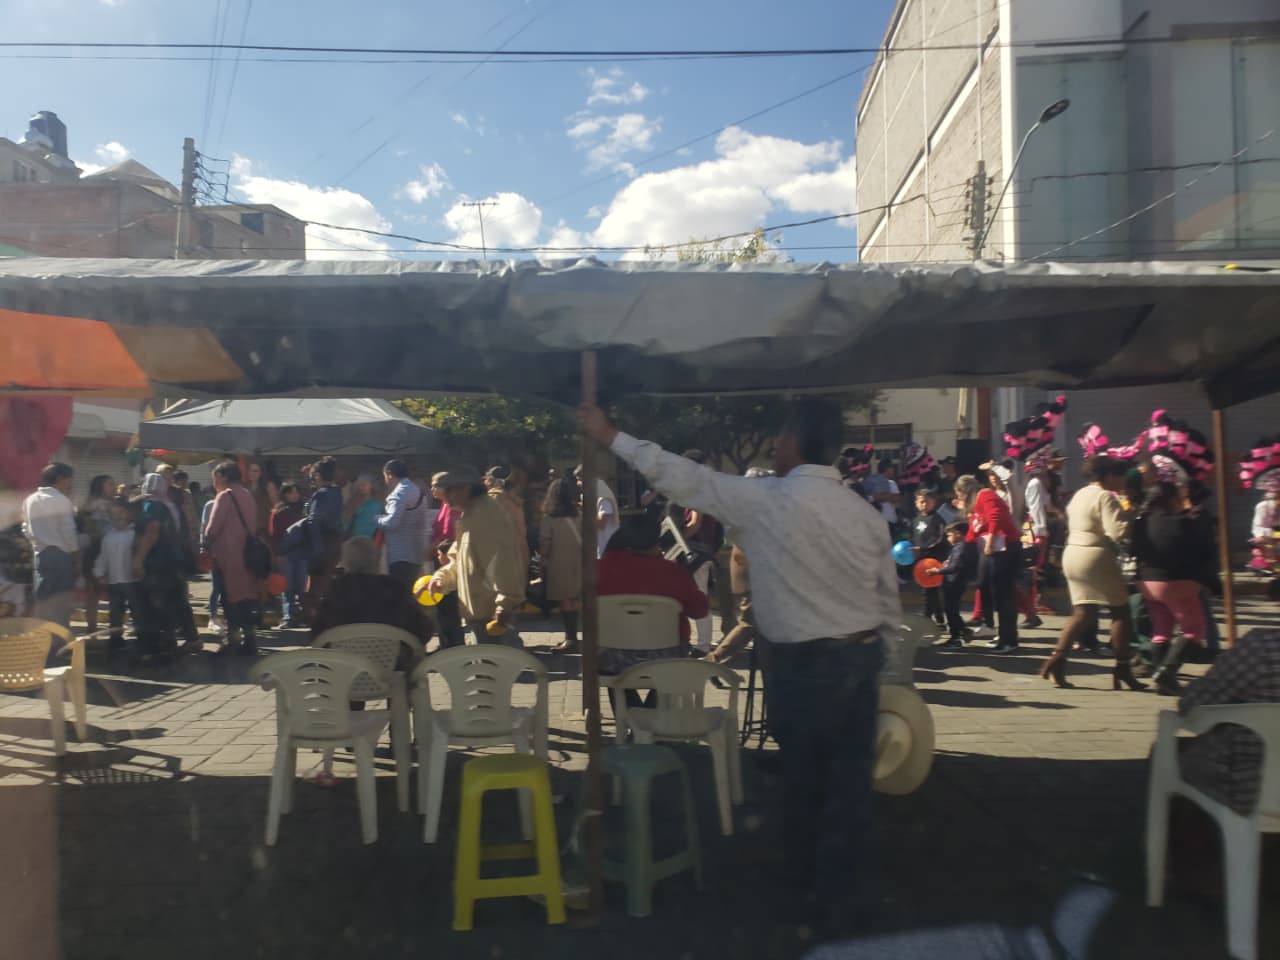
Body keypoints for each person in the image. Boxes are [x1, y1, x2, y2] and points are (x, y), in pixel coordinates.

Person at [578, 396, 902, 936]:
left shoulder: (765, 500)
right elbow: (887, 600)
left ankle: (810, 896)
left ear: (794, 443)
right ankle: (839, 900)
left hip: (801, 666)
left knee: (803, 783)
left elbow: (683, 477)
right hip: (859, 658)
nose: (774, 444)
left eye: (781, 436)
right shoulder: (865, 515)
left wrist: (611, 436)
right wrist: (883, 665)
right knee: (848, 789)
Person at [1040, 456, 1146, 691]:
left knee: (1083, 612)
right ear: (1107, 476)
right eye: (1118, 476)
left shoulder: (1080, 494)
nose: (1121, 481)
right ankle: (1122, 668)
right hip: (1095, 555)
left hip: (1073, 554)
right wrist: (1133, 515)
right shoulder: (1105, 496)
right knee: (1121, 612)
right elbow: (1117, 532)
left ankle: (1057, 660)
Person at [597, 513, 709, 706]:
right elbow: (700, 610)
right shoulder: (672, 572)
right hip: (665, 659)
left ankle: (630, 716)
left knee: (610, 654)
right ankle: (650, 715)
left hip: (612, 658)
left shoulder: (599, 569)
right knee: (668, 671)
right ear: (656, 542)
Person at [1172, 627, 1280, 814]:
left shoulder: (1261, 647)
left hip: (1247, 787)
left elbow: (1193, 705)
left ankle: (1176, 830)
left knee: (1169, 754)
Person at [1131, 480, 1215, 695]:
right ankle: (1166, 673)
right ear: (1172, 500)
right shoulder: (1183, 522)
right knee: (1194, 630)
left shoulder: (1141, 522)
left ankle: (1161, 677)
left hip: (1147, 584)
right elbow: (1200, 550)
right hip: (1177, 583)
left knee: (1161, 630)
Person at [428, 468, 526, 648]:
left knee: (497, 663)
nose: (445, 497)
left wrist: (505, 602)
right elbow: (459, 560)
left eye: (449, 491)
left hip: (491, 614)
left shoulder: (486, 515)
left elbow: (502, 561)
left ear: (465, 488)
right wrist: (442, 579)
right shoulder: (470, 515)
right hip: (479, 612)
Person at [310, 536, 432, 652]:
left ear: (345, 563)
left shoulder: (335, 590)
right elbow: (423, 631)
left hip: (343, 663)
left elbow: (317, 633)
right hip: (391, 662)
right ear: (377, 560)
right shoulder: (396, 589)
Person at [204, 461, 260, 655]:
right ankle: (250, 641)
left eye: (215, 477)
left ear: (223, 476)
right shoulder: (247, 494)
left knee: (230, 601)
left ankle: (233, 642)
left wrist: (205, 544)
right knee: (245, 600)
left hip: (228, 556)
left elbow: (212, 529)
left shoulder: (225, 496)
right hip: (247, 555)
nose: (213, 481)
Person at [132, 473, 189, 660]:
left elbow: (152, 531)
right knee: (166, 604)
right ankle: (168, 642)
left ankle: (155, 647)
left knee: (154, 604)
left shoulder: (153, 505)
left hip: (156, 563)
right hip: (171, 562)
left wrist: (138, 558)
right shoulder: (168, 505)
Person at [967, 465, 1023, 653]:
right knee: (992, 590)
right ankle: (1002, 633)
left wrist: (990, 540)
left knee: (1004, 595)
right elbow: (974, 529)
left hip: (1005, 547)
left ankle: (1008, 640)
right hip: (995, 549)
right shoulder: (978, 502)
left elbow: (995, 517)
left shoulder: (986, 495)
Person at [22, 463, 79, 633]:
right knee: (60, 603)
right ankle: (58, 642)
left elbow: (25, 529)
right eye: (70, 479)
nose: (71, 483)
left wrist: (37, 542)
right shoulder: (61, 500)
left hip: (40, 554)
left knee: (43, 600)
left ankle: (43, 640)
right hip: (61, 556)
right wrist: (75, 555)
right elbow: (68, 532)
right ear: (61, 479)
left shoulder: (30, 500)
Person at [538, 478, 583, 653]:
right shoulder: (579, 514)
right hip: (580, 561)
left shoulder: (549, 518)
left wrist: (542, 560)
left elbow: (545, 543)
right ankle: (576, 638)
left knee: (565, 600)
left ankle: (571, 639)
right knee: (576, 599)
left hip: (559, 562)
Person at [377, 459, 431, 588]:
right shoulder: (416, 490)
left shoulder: (399, 493)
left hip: (400, 555)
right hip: (416, 552)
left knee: (400, 592)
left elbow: (391, 523)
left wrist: (377, 518)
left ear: (389, 474)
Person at [93, 499, 137, 656]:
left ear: (129, 514)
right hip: (114, 580)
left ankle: (143, 637)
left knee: (137, 610)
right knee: (116, 612)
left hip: (133, 581)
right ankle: (116, 640)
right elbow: (103, 557)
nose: (118, 516)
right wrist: (99, 572)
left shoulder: (134, 533)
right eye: (114, 514)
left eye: (121, 513)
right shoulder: (108, 536)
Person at [304, 457, 344, 620]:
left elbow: (314, 521)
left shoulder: (321, 495)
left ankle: (314, 617)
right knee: (326, 580)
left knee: (316, 582)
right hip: (335, 540)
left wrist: (316, 547)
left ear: (318, 476)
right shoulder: (337, 492)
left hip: (322, 541)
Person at [429, 474, 466, 650]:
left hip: (449, 561)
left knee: (449, 607)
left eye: (436, 485)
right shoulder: (444, 505)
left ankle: (454, 645)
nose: (432, 489)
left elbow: (453, 535)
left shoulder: (455, 507)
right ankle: (447, 643)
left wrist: (440, 549)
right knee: (443, 607)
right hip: (440, 558)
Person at [79, 474, 115, 636]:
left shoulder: (114, 503)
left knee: (113, 591)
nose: (113, 487)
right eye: (110, 484)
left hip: (112, 551)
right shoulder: (91, 505)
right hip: (95, 552)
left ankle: (111, 628)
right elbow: (88, 529)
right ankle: (92, 628)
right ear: (100, 486)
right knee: (93, 592)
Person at [269, 482, 307, 629]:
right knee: (287, 587)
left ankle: (303, 617)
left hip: (301, 553)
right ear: (284, 494)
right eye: (291, 492)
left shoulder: (304, 510)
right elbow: (274, 535)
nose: (295, 495)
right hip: (285, 554)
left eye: (297, 492)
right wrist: (277, 554)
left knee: (301, 587)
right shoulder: (279, 512)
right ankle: (288, 617)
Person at [484, 465, 530, 583]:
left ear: (490, 480)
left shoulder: (493, 499)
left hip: (501, 555)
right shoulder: (514, 500)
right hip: (520, 552)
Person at [911, 488, 948, 627]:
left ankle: (927, 614)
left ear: (934, 503)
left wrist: (924, 549)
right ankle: (939, 618)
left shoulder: (937, 519)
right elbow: (914, 537)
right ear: (916, 503)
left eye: (927, 502)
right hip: (920, 558)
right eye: (921, 502)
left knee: (929, 589)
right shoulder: (916, 520)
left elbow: (940, 539)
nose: (924, 505)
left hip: (933, 559)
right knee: (929, 588)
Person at [936, 522, 974, 649]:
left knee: (951, 611)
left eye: (949, 535)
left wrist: (937, 571)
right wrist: (948, 563)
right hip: (953, 582)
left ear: (957, 534)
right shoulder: (958, 547)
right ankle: (963, 630)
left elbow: (955, 567)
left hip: (955, 583)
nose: (948, 538)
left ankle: (955, 638)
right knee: (952, 610)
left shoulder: (961, 547)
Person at [575, 463, 620, 559]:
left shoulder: (602, 494)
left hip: (606, 547)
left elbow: (602, 523)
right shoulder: (591, 493)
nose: (578, 483)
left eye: (579, 480)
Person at [862, 459, 901, 530]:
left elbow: (896, 498)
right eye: (892, 467)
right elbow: (865, 497)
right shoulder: (871, 481)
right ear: (888, 469)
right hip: (876, 519)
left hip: (891, 519)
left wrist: (882, 496)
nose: (893, 470)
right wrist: (878, 497)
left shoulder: (892, 483)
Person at [246, 461, 280, 539]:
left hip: (265, 525)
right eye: (250, 470)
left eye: (255, 471)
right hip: (250, 525)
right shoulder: (245, 486)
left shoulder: (268, 485)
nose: (252, 473)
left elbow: (276, 505)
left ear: (261, 472)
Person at [344, 474, 383, 539]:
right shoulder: (353, 502)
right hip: (354, 539)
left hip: (371, 540)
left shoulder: (378, 505)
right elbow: (348, 523)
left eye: (364, 484)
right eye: (359, 485)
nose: (361, 487)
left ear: (371, 485)